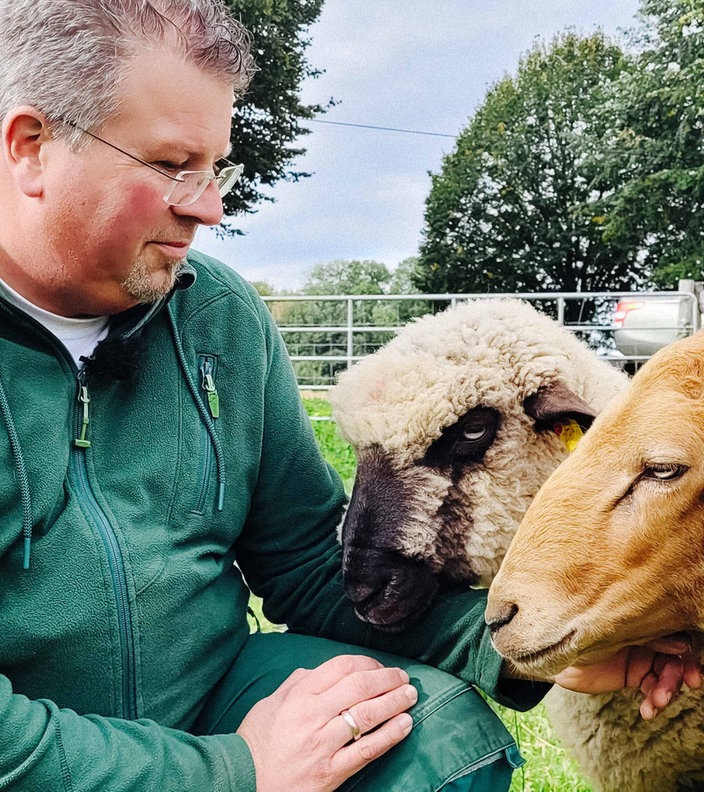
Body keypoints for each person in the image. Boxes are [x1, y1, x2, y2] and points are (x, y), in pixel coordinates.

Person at [0, 1, 699, 790]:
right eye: (171, 165)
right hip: (42, 732)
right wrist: (236, 772)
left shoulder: (217, 316)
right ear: (31, 148)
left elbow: (303, 559)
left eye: (216, 168)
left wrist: (523, 646)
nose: (209, 206)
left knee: (433, 741)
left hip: (204, 691)